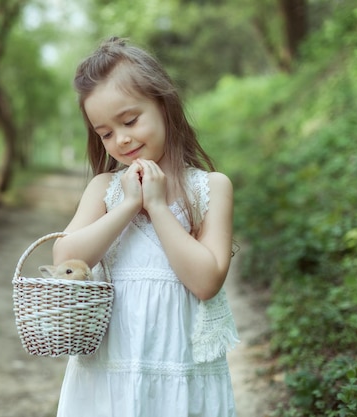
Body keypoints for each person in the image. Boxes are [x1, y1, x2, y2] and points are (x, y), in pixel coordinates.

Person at [53, 37, 239, 417]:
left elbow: (206, 281)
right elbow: (65, 257)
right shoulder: (104, 190)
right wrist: (128, 205)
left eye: (130, 120)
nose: (120, 139)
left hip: (180, 368)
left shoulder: (210, 188)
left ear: (164, 106)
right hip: (110, 368)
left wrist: (156, 206)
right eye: (105, 133)